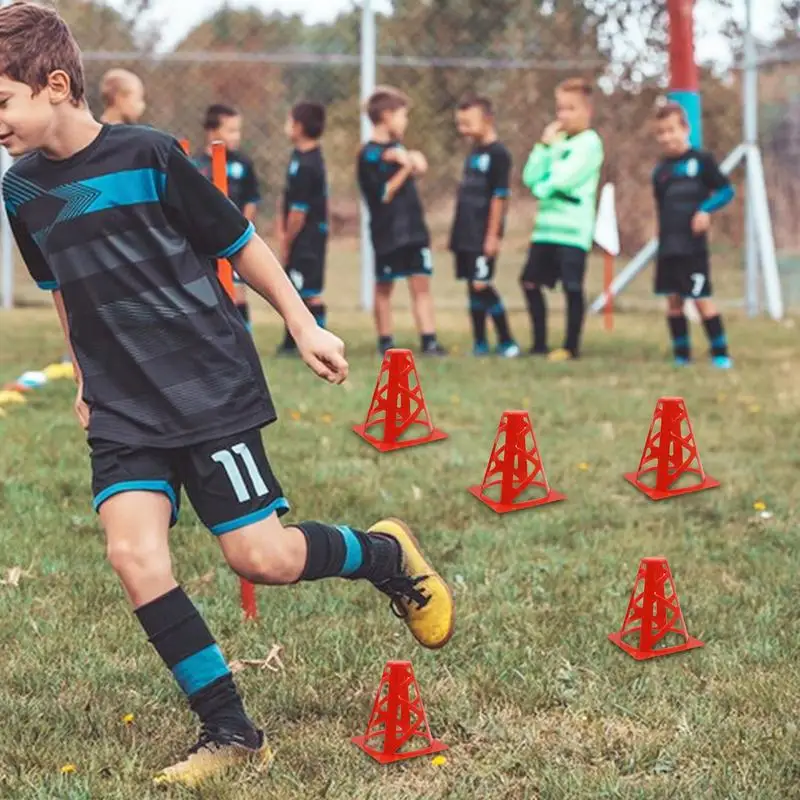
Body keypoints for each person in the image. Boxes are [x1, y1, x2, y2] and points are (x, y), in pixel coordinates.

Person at [0, 2, 455, 788]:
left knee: (263, 557)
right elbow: (64, 291)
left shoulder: (149, 155)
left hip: (204, 387)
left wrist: (305, 325)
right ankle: (231, 729)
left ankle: (385, 554)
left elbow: (237, 242)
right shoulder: (20, 193)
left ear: (55, 84)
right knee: (132, 553)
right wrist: (83, 380)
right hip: (122, 407)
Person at [357, 86, 447, 357]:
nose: (405, 122)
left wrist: (414, 162)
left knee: (421, 283)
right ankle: (386, 341)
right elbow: (383, 193)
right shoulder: (368, 155)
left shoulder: (398, 149)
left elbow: (418, 167)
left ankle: (429, 340)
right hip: (388, 233)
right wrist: (406, 168)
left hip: (414, 231)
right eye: (402, 115)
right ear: (386, 116)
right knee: (384, 287)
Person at [520, 77, 604, 362]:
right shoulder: (554, 143)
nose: (563, 115)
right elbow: (530, 176)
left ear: (586, 111)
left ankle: (570, 347)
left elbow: (564, 179)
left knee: (571, 286)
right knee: (530, 282)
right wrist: (543, 147)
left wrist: (543, 188)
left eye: (570, 108)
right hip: (546, 229)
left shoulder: (590, 143)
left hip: (572, 230)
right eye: (560, 109)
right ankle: (539, 344)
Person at [652, 102, 734, 368]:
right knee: (673, 300)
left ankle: (720, 353)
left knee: (701, 299)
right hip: (668, 246)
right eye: (661, 132)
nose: (667, 137)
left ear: (685, 129)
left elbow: (725, 191)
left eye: (672, 130)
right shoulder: (660, 171)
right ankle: (681, 355)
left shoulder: (701, 161)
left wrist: (705, 210)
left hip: (693, 248)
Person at [450, 94, 519, 357]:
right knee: (471, 284)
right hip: (465, 233)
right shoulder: (474, 153)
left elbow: (499, 197)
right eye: (460, 124)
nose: (463, 129)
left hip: (483, 234)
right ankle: (480, 343)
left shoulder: (499, 154)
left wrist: (492, 235)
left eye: (468, 123)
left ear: (488, 120)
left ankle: (507, 340)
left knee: (482, 284)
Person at [193, 104, 261, 332]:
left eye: (238, 130)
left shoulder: (243, 163)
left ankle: (245, 336)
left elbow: (252, 199)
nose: (236, 136)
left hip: (234, 239)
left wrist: (241, 228)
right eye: (231, 130)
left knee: (237, 291)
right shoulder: (196, 165)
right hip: (205, 240)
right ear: (212, 132)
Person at [277, 101, 329, 356]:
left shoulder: (309, 164)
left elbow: (299, 211)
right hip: (301, 235)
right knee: (294, 285)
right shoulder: (298, 157)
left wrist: (286, 240)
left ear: (299, 126)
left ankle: (320, 339)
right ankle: (291, 341)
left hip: (308, 237)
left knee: (309, 290)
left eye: (288, 122)